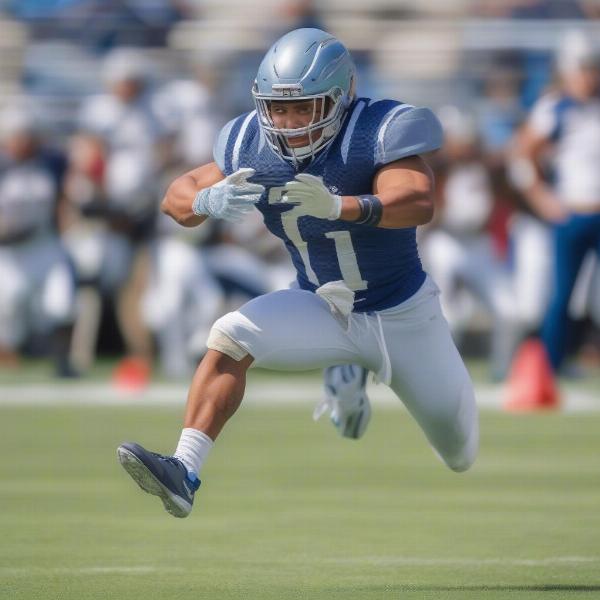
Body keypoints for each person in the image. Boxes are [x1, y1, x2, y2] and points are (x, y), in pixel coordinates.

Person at [117, 28, 479, 518]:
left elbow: (417, 200)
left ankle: (348, 373)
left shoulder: (376, 128)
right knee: (230, 335)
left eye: (304, 108)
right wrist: (206, 199)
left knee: (459, 451)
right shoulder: (249, 142)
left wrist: (339, 205)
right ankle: (184, 470)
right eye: (278, 108)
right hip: (322, 303)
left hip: (403, 314)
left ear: (340, 97)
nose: (288, 123)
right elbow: (174, 196)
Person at [511, 30, 600, 371]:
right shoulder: (555, 107)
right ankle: (550, 365)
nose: (588, 77)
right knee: (562, 294)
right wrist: (541, 197)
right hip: (573, 214)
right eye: (582, 69)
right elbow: (522, 155)